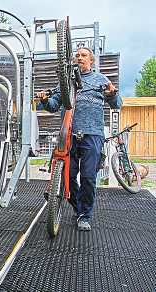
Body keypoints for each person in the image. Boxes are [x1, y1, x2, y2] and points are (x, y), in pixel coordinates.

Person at [37, 47, 122, 231]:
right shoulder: (66, 82)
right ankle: (78, 208)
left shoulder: (100, 79)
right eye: (77, 55)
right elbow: (53, 106)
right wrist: (44, 100)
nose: (79, 57)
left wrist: (112, 93)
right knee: (67, 175)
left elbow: (117, 105)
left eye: (84, 55)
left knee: (89, 177)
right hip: (69, 134)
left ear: (91, 60)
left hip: (93, 134)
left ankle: (84, 215)